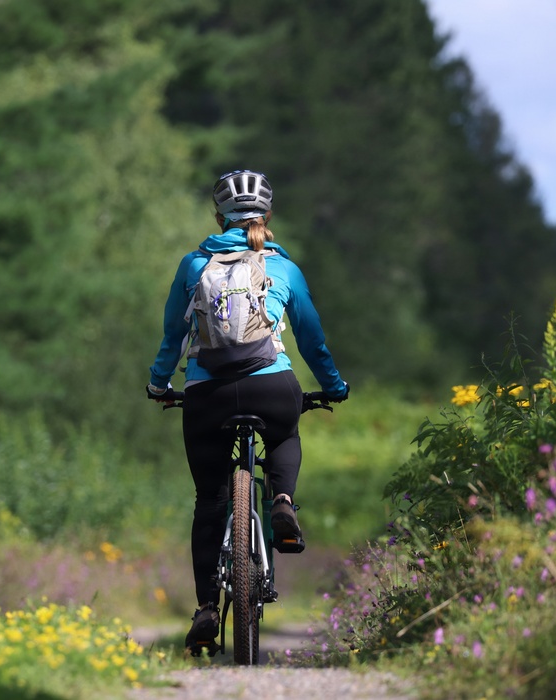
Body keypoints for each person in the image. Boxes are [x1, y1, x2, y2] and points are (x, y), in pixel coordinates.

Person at [146, 169, 348, 655]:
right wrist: (333, 387)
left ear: (219, 217)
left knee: (210, 500)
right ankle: (281, 501)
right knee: (285, 434)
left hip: (206, 395)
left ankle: (207, 610)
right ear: (267, 217)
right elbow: (313, 341)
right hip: (271, 387)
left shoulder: (194, 265)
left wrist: (158, 383)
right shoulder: (285, 269)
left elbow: (173, 337)